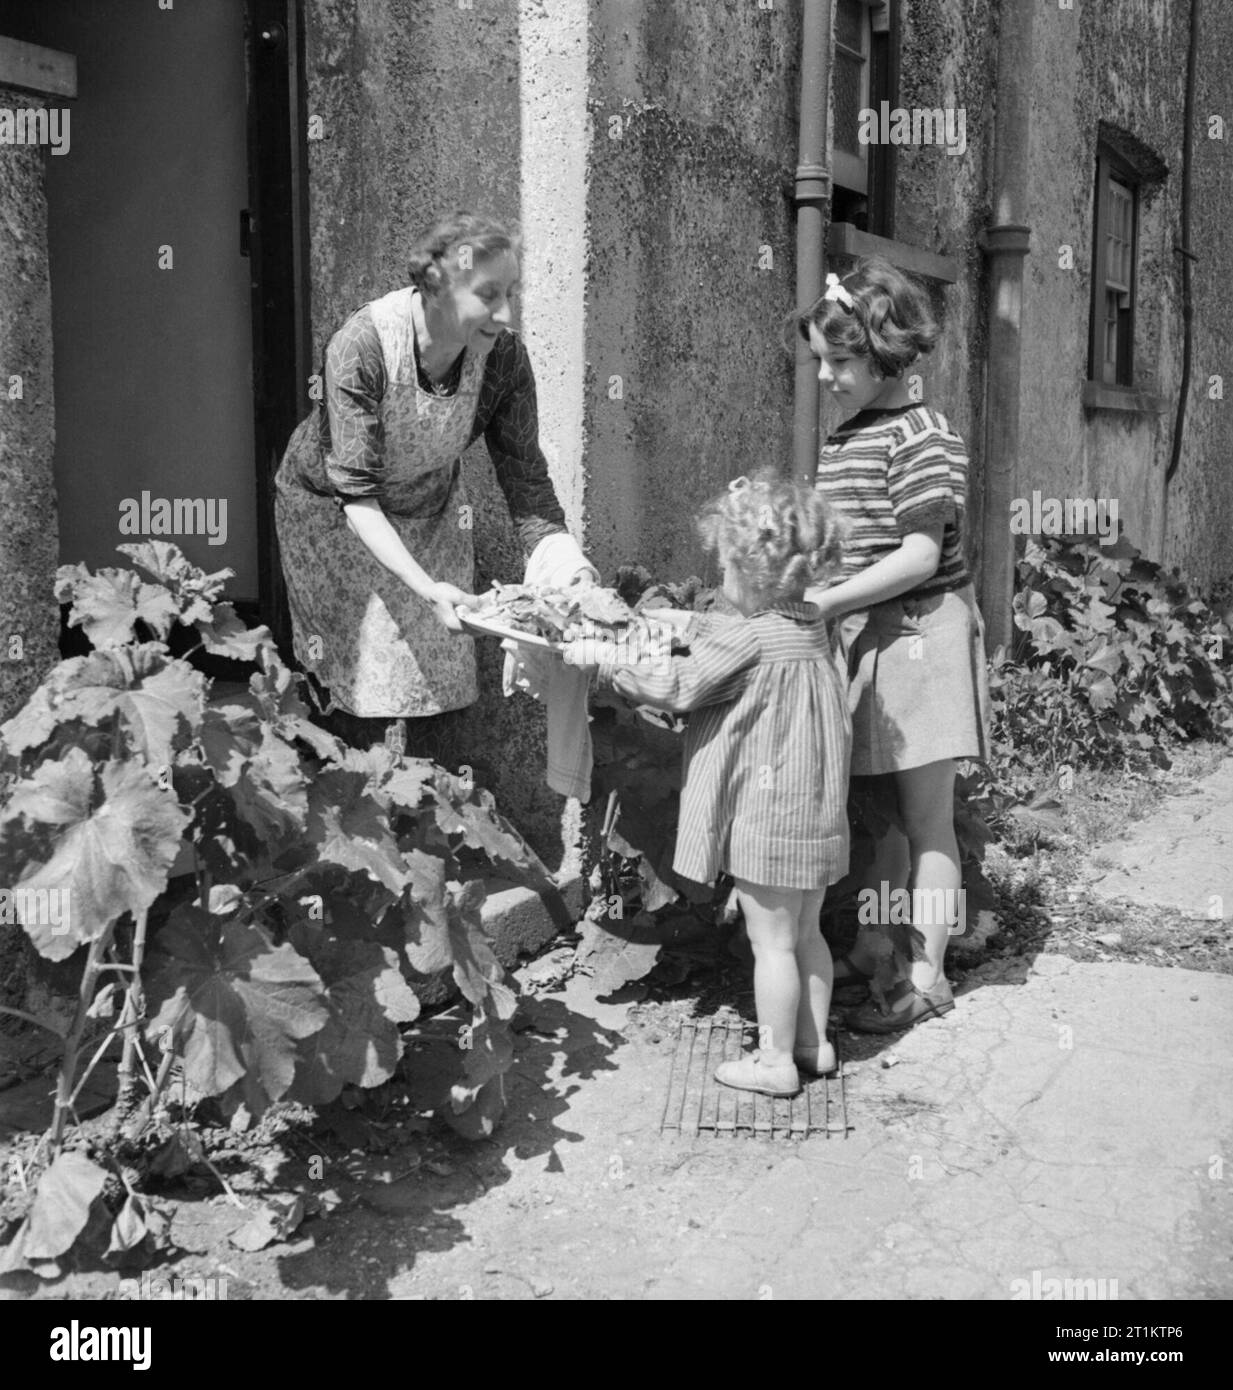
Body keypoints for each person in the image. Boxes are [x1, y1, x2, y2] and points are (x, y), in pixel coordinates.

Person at [563, 470, 851, 1096]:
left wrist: (610, 661)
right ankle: (813, 1044)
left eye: (724, 567)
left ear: (751, 572)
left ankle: (774, 1063)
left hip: (766, 820)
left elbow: (677, 685)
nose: (720, 580)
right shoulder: (811, 630)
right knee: (806, 934)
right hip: (817, 815)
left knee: (769, 942)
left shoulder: (749, 637)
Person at [274, 210, 596, 757]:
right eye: (489, 294)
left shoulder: (505, 362)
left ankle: (424, 812)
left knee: (430, 683)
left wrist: (573, 575)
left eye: (511, 292)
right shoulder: (362, 347)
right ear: (435, 285)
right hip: (338, 514)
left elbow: (527, 485)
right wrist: (426, 588)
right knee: (356, 682)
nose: (506, 313)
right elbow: (355, 491)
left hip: (431, 509)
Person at [799, 257, 992, 1033]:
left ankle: (926, 973)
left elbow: (917, 554)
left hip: (917, 632)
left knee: (925, 820)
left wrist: (827, 602)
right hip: (866, 631)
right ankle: (877, 945)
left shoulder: (922, 436)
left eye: (840, 360)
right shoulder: (848, 435)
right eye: (818, 359)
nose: (825, 375)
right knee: (876, 812)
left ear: (887, 354)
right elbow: (840, 542)